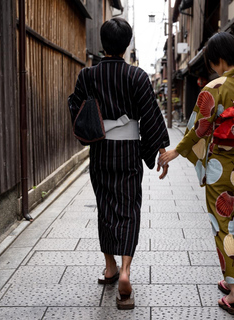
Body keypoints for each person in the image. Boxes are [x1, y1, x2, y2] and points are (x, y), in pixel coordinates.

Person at [158, 32, 234, 315]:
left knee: (224, 226)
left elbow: (199, 128)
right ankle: (232, 279)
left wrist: (175, 152)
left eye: (212, 62)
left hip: (220, 170)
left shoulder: (213, 88)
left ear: (220, 60)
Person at [68, 17, 170, 310]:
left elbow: (76, 107)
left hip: (100, 150)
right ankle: (125, 272)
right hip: (128, 152)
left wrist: (93, 125)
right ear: (126, 45)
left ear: (103, 44)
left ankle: (110, 267)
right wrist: (160, 150)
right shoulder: (137, 77)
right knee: (128, 209)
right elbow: (150, 116)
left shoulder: (87, 76)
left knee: (106, 208)